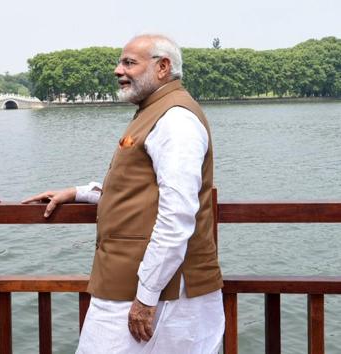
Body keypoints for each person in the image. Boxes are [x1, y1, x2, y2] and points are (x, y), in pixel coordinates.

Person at [23, 34, 224, 353]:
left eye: (129, 62)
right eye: (120, 62)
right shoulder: (155, 110)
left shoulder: (176, 120)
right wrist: (80, 193)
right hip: (136, 285)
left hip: (158, 292)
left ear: (163, 67)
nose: (118, 70)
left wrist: (146, 296)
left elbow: (176, 216)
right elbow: (140, 191)